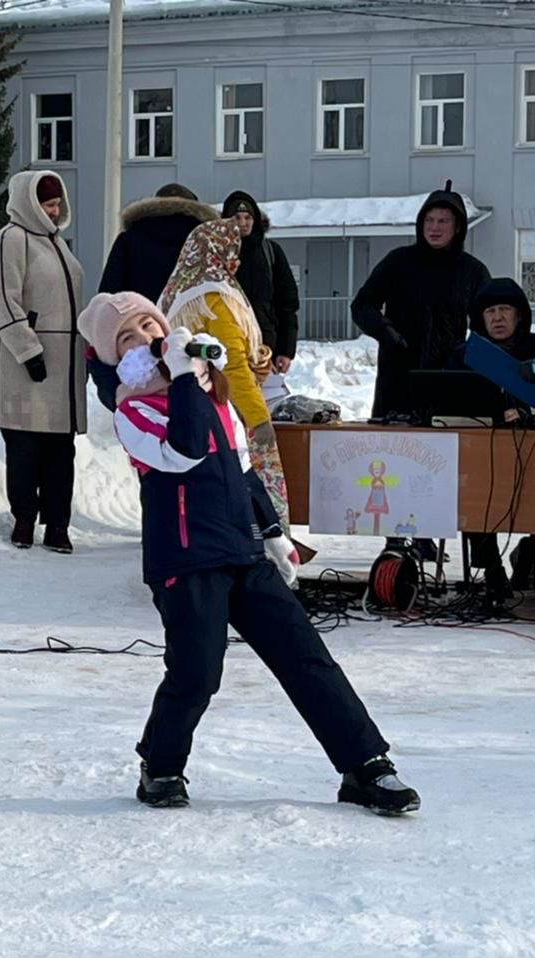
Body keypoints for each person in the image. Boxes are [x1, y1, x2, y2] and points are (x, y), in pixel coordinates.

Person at [109, 319, 420, 815]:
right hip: (186, 560)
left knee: (306, 657)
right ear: (113, 355)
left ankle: (366, 765)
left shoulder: (212, 398)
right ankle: (161, 766)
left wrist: (273, 534)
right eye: (127, 335)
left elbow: (242, 469)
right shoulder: (133, 410)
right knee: (197, 672)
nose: (145, 336)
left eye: (150, 324)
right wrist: (186, 377)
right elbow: (184, 452)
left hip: (243, 552)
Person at [0, 170, 86, 553]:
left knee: (60, 450)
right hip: (23, 364)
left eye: (57, 205)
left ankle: (58, 524)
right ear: (28, 203)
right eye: (47, 204)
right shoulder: (10, 239)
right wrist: (27, 349)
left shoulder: (57, 244)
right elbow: (2, 298)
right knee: (24, 448)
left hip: (59, 364)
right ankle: (24, 519)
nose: (54, 212)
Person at [157, 218, 291, 532]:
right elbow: (231, 365)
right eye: (234, 249)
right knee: (253, 495)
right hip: (223, 411)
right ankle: (267, 555)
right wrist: (258, 418)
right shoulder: (214, 295)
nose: (238, 257)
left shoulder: (177, 290)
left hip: (186, 407)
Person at [352, 180, 491, 420]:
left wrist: (464, 355)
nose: (434, 228)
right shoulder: (398, 261)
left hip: (448, 375)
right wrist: (387, 333)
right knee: (394, 449)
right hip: (398, 372)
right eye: (429, 220)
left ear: (458, 227)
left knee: (442, 449)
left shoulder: (472, 271)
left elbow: (486, 321)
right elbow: (362, 305)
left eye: (443, 221)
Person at [447, 278, 535, 595]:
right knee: (473, 489)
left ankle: (528, 554)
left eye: (505, 310)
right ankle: (492, 572)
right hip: (480, 452)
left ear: (519, 315)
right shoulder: (464, 356)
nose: (497, 318)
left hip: (530, 453)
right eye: (491, 312)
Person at [221, 191, 300, 373]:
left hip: (266, 346)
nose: (242, 223)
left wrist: (286, 350)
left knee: (262, 399)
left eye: (248, 217)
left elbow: (287, 303)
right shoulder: (217, 253)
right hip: (227, 345)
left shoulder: (270, 251)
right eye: (236, 217)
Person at [99, 183, 215, 303]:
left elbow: (109, 292)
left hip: (139, 318)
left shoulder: (129, 240)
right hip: (193, 318)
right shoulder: (205, 241)